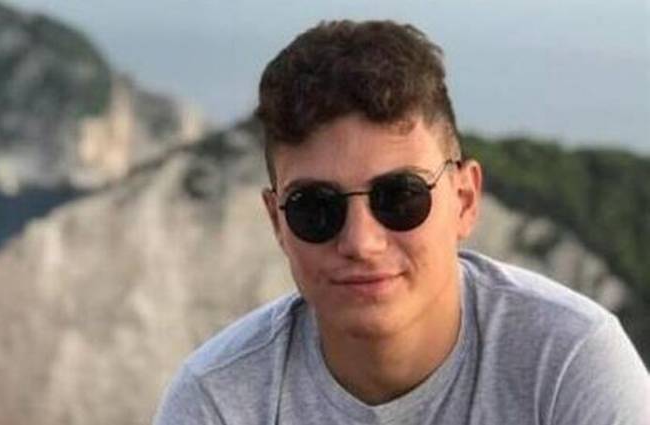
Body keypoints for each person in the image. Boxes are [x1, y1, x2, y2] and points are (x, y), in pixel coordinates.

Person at [153, 20, 649, 424]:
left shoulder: (567, 363)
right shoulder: (219, 401)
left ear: (464, 200)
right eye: (315, 208)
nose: (361, 241)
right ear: (277, 222)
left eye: (400, 197)